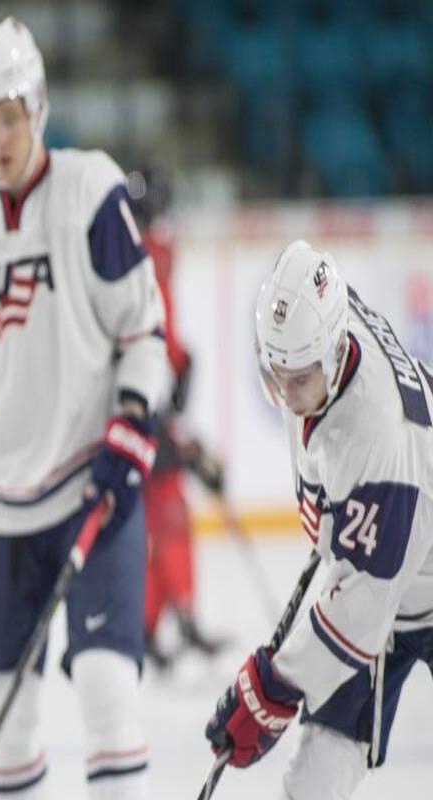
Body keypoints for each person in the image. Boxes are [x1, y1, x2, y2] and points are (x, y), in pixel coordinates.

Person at [0, 17, 167, 800]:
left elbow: (146, 332)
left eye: (10, 115)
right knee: (6, 720)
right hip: (4, 513)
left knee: (105, 693)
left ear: (38, 109)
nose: (0, 135)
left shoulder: (92, 190)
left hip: (94, 490)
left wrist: (131, 425)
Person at [205, 240, 433, 798]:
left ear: (335, 355)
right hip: (389, 572)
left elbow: (360, 609)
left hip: (403, 575)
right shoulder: (315, 330)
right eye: (274, 374)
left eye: (299, 379)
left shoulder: (378, 434)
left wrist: (274, 686)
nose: (285, 393)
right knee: (312, 781)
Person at [127, 166, 228, 669]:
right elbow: (157, 337)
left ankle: (151, 623)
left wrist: (181, 365)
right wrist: (178, 369)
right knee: (167, 512)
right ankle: (176, 613)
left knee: (157, 513)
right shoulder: (153, 256)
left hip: (144, 399)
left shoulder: (134, 257)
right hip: (147, 403)